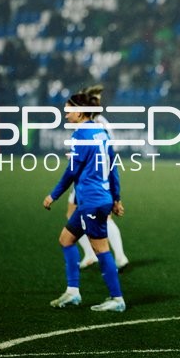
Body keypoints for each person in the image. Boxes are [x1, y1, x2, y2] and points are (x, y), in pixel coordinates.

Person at [43, 91, 127, 311]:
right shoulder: (101, 133)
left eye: (68, 109)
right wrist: (116, 198)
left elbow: (71, 171)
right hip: (100, 198)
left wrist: (54, 194)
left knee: (101, 249)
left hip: (92, 201)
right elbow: (113, 168)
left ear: (79, 112)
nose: (65, 113)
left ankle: (117, 299)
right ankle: (72, 292)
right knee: (66, 239)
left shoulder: (81, 135)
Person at [69, 85, 130, 270]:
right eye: (94, 97)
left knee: (101, 218)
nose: (98, 101)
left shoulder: (99, 123)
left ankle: (117, 257)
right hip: (88, 178)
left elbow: (110, 153)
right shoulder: (94, 122)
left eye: (98, 98)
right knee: (75, 215)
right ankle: (96, 255)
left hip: (94, 178)